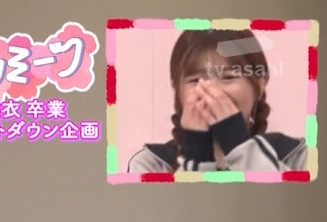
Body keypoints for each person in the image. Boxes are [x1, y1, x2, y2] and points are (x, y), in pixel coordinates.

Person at [128, 29, 307, 173]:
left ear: (260, 84)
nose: (213, 91)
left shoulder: (297, 157)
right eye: (196, 80)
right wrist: (196, 156)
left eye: (228, 77)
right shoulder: (150, 165)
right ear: (177, 89)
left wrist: (239, 146)